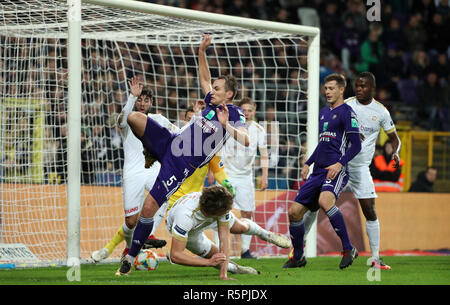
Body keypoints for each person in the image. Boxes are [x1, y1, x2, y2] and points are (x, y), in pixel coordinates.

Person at [117, 33, 249, 276]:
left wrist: (226, 124)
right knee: (134, 117)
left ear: (229, 94)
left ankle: (130, 258)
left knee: (147, 208)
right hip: (171, 143)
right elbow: (204, 78)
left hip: (181, 165)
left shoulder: (234, 113)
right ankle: (151, 151)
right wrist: (201, 52)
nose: (213, 90)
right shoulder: (210, 103)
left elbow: (246, 139)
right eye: (214, 87)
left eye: (218, 89)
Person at [91, 77, 175, 263]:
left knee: (165, 194)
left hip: (153, 168)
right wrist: (131, 97)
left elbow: (177, 134)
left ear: (152, 103)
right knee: (130, 221)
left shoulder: (159, 119)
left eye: (146, 100)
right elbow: (120, 121)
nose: (142, 103)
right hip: (132, 172)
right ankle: (130, 247)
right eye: (139, 100)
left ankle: (148, 234)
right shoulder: (129, 118)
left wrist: (194, 118)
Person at [283, 73, 361, 269]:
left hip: (335, 170)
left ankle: (347, 248)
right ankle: (298, 256)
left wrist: (339, 164)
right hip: (317, 171)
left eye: (332, 88)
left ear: (342, 90)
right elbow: (323, 143)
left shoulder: (347, 112)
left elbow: (356, 145)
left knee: (324, 201)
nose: (327, 92)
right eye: (326, 88)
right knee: (294, 212)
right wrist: (308, 162)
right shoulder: (324, 112)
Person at [166, 186, 291, 280]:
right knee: (213, 256)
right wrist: (208, 263)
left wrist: (223, 274)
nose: (231, 210)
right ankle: (235, 269)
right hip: (190, 231)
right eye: (228, 210)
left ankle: (265, 234)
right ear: (217, 212)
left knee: (240, 228)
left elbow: (224, 239)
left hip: (209, 213)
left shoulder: (218, 202)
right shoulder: (185, 217)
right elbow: (176, 255)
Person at [343, 72, 401, 269]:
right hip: (340, 164)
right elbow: (333, 126)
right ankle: (298, 251)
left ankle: (375, 258)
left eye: (363, 86)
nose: (359, 89)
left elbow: (394, 139)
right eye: (357, 86)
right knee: (315, 202)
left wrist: (395, 152)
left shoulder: (381, 112)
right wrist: (350, 131)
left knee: (369, 209)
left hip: (360, 168)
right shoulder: (347, 104)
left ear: (372, 88)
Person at [220, 97, 269, 259]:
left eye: (250, 110)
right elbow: (217, 149)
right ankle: (220, 249)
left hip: (246, 177)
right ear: (239, 112)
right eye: (244, 110)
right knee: (220, 211)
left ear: (254, 112)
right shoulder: (229, 126)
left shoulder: (259, 130)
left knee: (247, 212)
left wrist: (265, 175)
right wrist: (212, 172)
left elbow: (264, 154)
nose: (247, 113)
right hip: (226, 173)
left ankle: (245, 251)